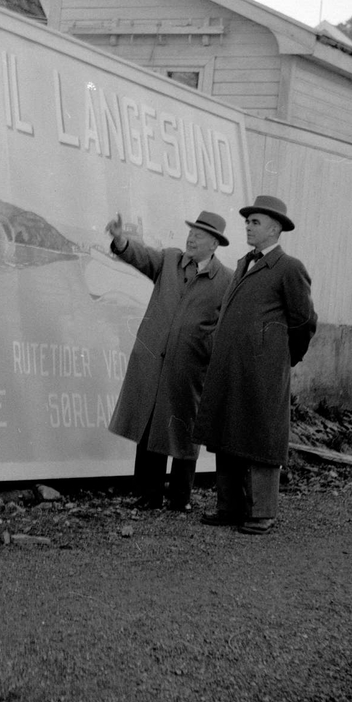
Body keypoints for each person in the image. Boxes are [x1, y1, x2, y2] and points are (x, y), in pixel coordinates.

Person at [193, 194, 317, 535]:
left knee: (261, 437)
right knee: (228, 430)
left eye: (256, 222)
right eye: (247, 221)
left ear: (275, 228)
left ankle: (261, 511)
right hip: (231, 365)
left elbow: (303, 321)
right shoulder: (244, 263)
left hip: (262, 370)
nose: (248, 226)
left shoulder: (289, 268)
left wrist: (280, 357)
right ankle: (229, 507)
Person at [105, 210, 231, 510]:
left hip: (191, 369)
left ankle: (180, 498)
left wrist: (204, 349)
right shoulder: (170, 261)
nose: (192, 237)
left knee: (186, 431)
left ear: (214, 244)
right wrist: (120, 240)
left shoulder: (225, 280)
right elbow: (141, 256)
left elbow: (225, 327)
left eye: (200, 235)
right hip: (153, 362)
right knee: (150, 426)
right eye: (191, 232)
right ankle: (148, 495)